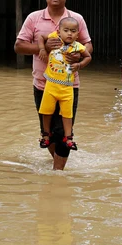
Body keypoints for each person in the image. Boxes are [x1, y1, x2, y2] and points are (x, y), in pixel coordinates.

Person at [14, 0, 93, 170]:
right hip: (42, 85)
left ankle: (57, 174)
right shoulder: (34, 18)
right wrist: (43, 47)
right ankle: (57, 162)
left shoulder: (76, 19)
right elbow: (18, 46)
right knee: (47, 132)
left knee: (63, 132)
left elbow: (88, 45)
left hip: (69, 86)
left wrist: (79, 58)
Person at [36, 17, 92, 150]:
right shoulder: (54, 38)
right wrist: (42, 49)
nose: (69, 33)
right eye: (66, 30)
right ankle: (46, 135)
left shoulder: (77, 46)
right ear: (58, 31)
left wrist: (79, 65)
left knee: (67, 114)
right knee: (46, 112)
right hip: (50, 85)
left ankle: (69, 138)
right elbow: (40, 37)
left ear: (78, 34)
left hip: (67, 87)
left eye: (73, 31)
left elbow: (88, 56)